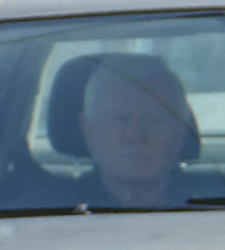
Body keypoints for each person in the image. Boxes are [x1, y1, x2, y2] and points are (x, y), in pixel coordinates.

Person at [77, 55, 198, 208]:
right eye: (121, 119)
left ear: (179, 132)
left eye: (154, 120)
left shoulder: (215, 207)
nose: (135, 135)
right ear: (88, 131)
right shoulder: (52, 210)